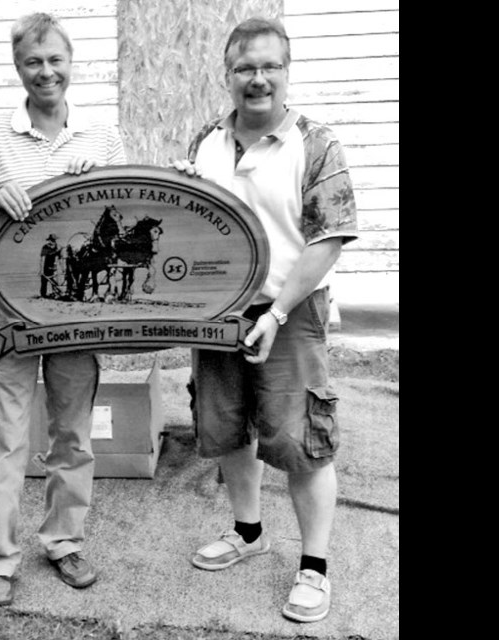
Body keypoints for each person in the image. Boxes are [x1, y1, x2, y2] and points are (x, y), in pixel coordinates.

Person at [171, 17, 358, 623]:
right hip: (217, 312)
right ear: (227, 75)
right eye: (245, 68)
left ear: (286, 71)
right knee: (225, 427)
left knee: (300, 438)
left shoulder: (317, 142)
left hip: (291, 309)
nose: (258, 79)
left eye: (270, 66)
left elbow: (327, 240)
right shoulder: (206, 140)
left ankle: (314, 567)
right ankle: (248, 533)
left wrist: (277, 312)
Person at [0, 12, 127, 607]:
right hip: (13, 313)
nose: (45, 71)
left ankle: (64, 541)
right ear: (17, 67)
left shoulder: (102, 137)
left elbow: (123, 215)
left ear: (71, 62)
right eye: (32, 61)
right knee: (6, 438)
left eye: (55, 59)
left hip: (78, 316)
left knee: (74, 435)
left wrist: (98, 177)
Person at [39, 233, 61, 298]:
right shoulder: (45, 247)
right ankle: (43, 295)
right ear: (49, 240)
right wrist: (41, 270)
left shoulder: (57, 247)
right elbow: (42, 259)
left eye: (54, 240)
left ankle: (55, 293)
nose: (53, 242)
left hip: (53, 267)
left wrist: (58, 267)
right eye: (52, 240)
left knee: (54, 282)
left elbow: (59, 258)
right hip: (46, 267)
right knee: (44, 282)